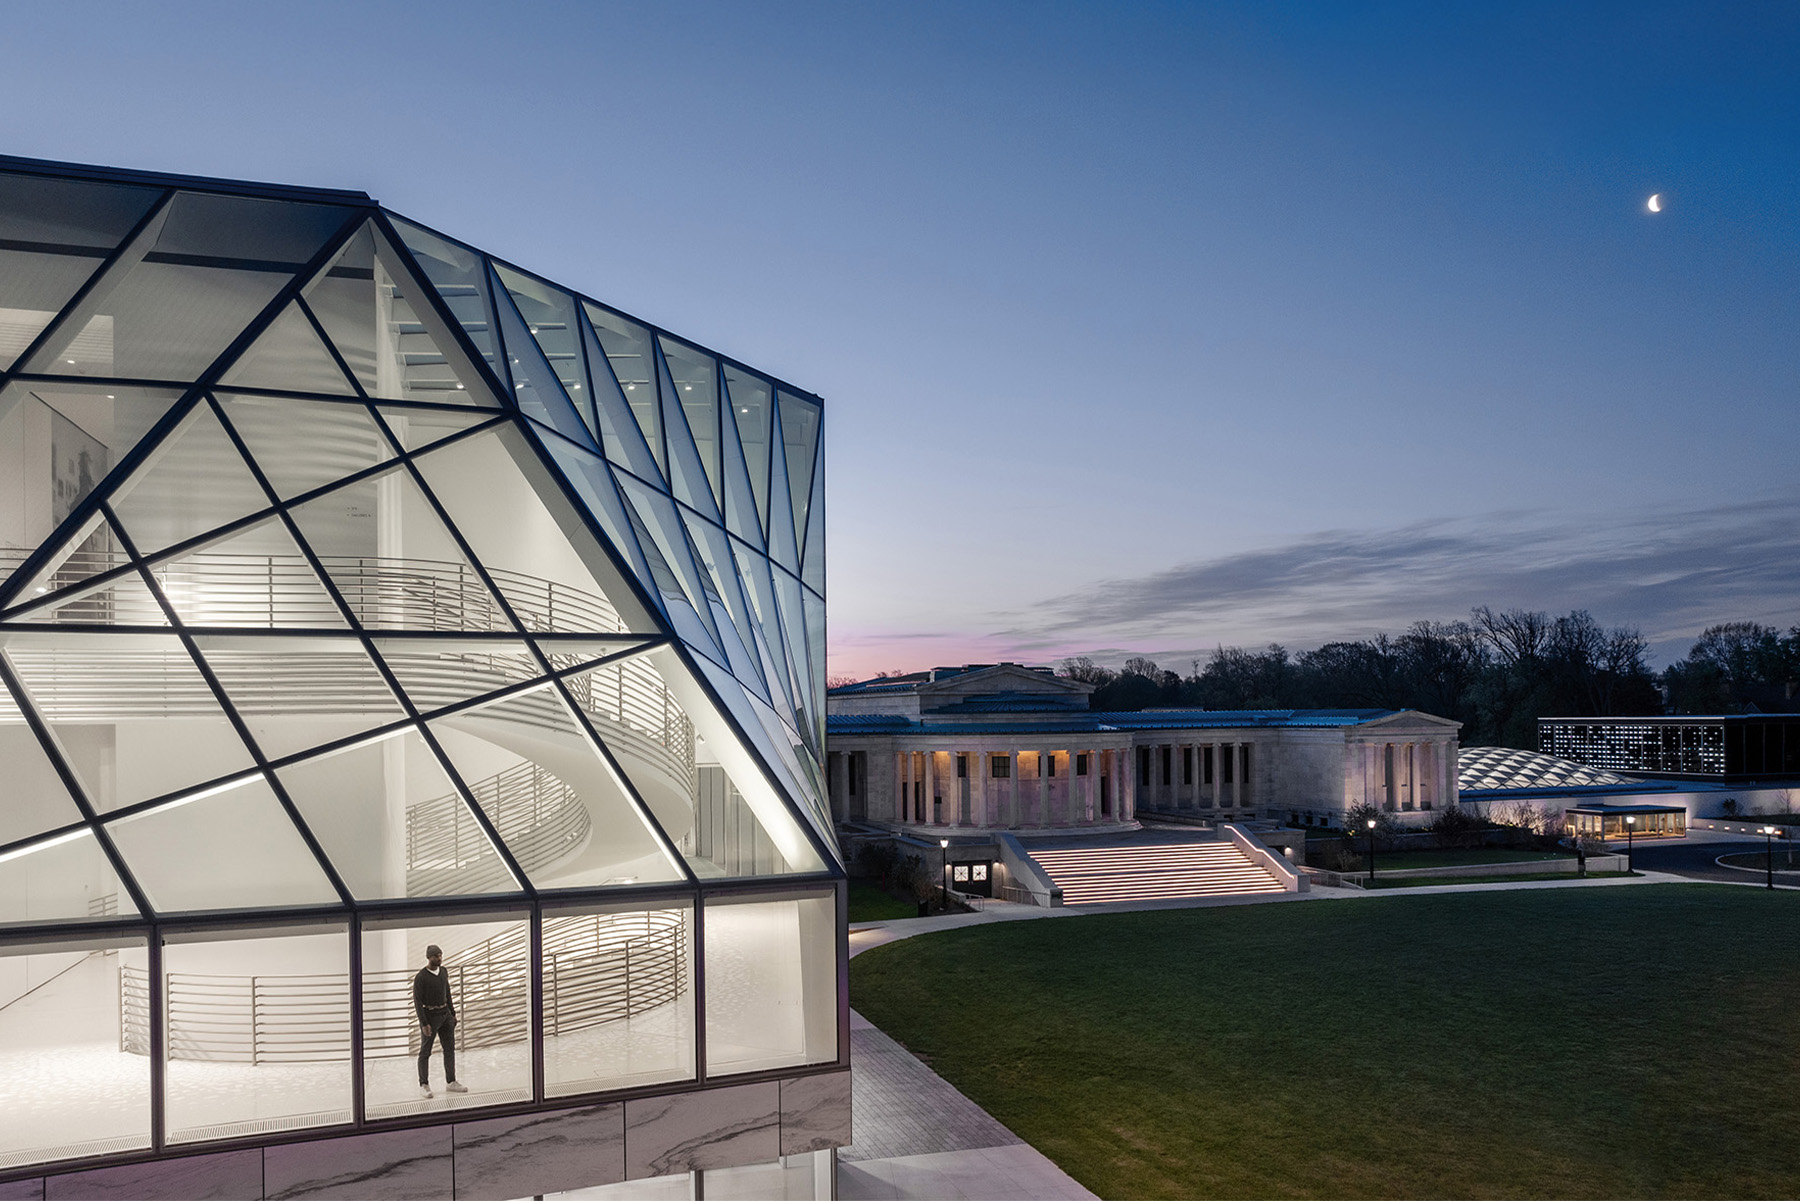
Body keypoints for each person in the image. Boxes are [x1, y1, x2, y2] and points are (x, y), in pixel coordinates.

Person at [413, 944, 468, 1098]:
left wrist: (452, 1013)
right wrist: (424, 1023)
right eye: (436, 956)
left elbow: (447, 992)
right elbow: (417, 1002)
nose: (439, 958)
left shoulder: (443, 972)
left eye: (440, 955)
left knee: (449, 1049)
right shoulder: (421, 977)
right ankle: (423, 1084)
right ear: (428, 957)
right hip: (430, 1016)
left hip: (445, 1015)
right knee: (425, 1052)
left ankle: (451, 1082)